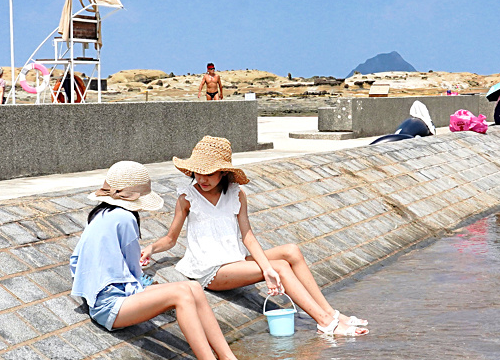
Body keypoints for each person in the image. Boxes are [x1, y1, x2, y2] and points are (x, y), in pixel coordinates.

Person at [142, 136, 369, 337]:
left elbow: (247, 236)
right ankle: (325, 323)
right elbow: (171, 239)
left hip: (235, 261)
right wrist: (151, 249)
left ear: (223, 173)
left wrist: (265, 268)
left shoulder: (236, 194)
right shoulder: (187, 197)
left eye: (210, 173)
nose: (202, 178)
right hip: (210, 270)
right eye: (198, 172)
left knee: (291, 251)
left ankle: (329, 312)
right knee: (280, 266)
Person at [69, 161, 268, 360]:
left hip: (110, 298)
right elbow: (133, 269)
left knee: (192, 287)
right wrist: (126, 280)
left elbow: (75, 262)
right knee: (182, 294)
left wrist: (101, 284)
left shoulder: (102, 214)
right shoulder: (125, 219)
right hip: (111, 307)